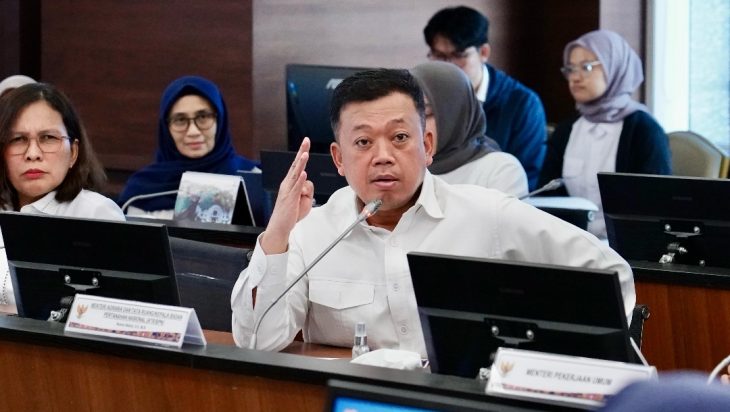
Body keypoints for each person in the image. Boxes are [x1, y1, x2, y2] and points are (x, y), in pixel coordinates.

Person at [230, 69, 635, 357]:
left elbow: (610, 273)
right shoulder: (314, 232)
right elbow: (257, 341)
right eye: (364, 142)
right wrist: (277, 235)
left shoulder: (487, 214)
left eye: (399, 137)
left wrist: (544, 359)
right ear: (338, 158)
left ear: (427, 146)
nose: (383, 156)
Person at [0, 83, 125, 314]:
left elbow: (112, 313)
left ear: (73, 153)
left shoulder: (95, 214)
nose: (33, 154)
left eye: (48, 138)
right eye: (18, 139)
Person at [538, 30, 671, 239]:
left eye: (587, 67)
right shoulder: (566, 130)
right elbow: (548, 194)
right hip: (571, 242)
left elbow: (656, 205)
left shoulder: (644, 131)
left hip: (625, 246)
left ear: (615, 67)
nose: (575, 77)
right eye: (571, 69)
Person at [423, 6, 546, 191]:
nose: (448, 65)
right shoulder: (424, 100)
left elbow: (527, 178)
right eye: (439, 56)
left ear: (484, 53)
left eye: (458, 56)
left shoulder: (523, 104)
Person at [117, 76, 259, 218]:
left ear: (220, 120)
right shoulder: (142, 190)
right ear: (166, 127)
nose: (193, 132)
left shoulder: (254, 179)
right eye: (180, 120)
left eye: (203, 117)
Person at [410, 61, 528, 197]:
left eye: (426, 114)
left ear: (455, 115)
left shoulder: (501, 170)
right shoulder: (400, 167)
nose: (413, 126)